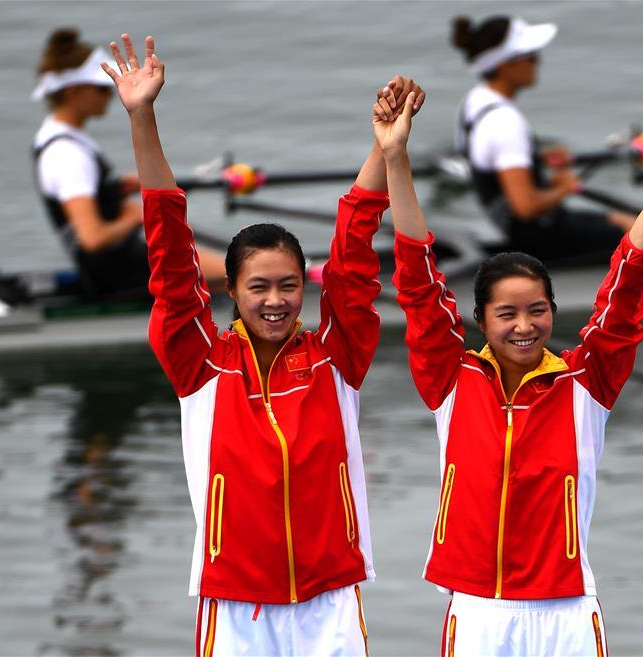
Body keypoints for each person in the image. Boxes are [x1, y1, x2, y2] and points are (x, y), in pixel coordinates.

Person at [102, 34, 423, 655]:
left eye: (288, 286)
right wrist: (142, 116)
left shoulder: (338, 356)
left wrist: (386, 148)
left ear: (306, 288)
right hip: (236, 603)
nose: (275, 300)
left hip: (331, 599)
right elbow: (169, 253)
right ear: (230, 292)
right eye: (258, 287)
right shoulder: (200, 364)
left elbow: (354, 258)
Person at [376, 80, 643, 655]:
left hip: (567, 608)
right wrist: (395, 156)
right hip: (476, 610)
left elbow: (628, 278)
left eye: (538, 310)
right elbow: (417, 277)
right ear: (478, 320)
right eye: (507, 314)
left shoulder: (586, 381)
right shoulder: (451, 378)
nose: (524, 326)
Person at [451, 15, 643, 264]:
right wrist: (563, 189)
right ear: (505, 65)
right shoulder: (504, 123)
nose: (538, 62)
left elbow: (493, 157)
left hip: (534, 228)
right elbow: (526, 207)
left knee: (624, 220)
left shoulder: (474, 102)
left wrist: (538, 156)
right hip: (543, 238)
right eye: (531, 56)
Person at [32, 28, 223, 296]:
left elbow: (82, 193)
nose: (110, 94)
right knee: (240, 276)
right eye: (101, 88)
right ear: (73, 92)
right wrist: (133, 218)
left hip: (124, 260)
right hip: (121, 273)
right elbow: (92, 237)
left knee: (239, 269)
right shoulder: (66, 154)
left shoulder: (59, 136)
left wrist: (111, 187)